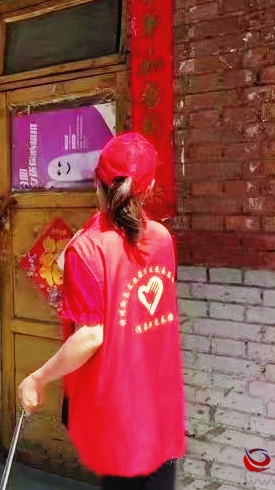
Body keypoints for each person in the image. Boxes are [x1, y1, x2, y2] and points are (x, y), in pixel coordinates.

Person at [18, 132, 186, 490]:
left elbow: (92, 335)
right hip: (160, 403)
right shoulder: (162, 238)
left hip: (119, 412)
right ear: (149, 186)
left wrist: (38, 378)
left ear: (97, 181)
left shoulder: (87, 248)